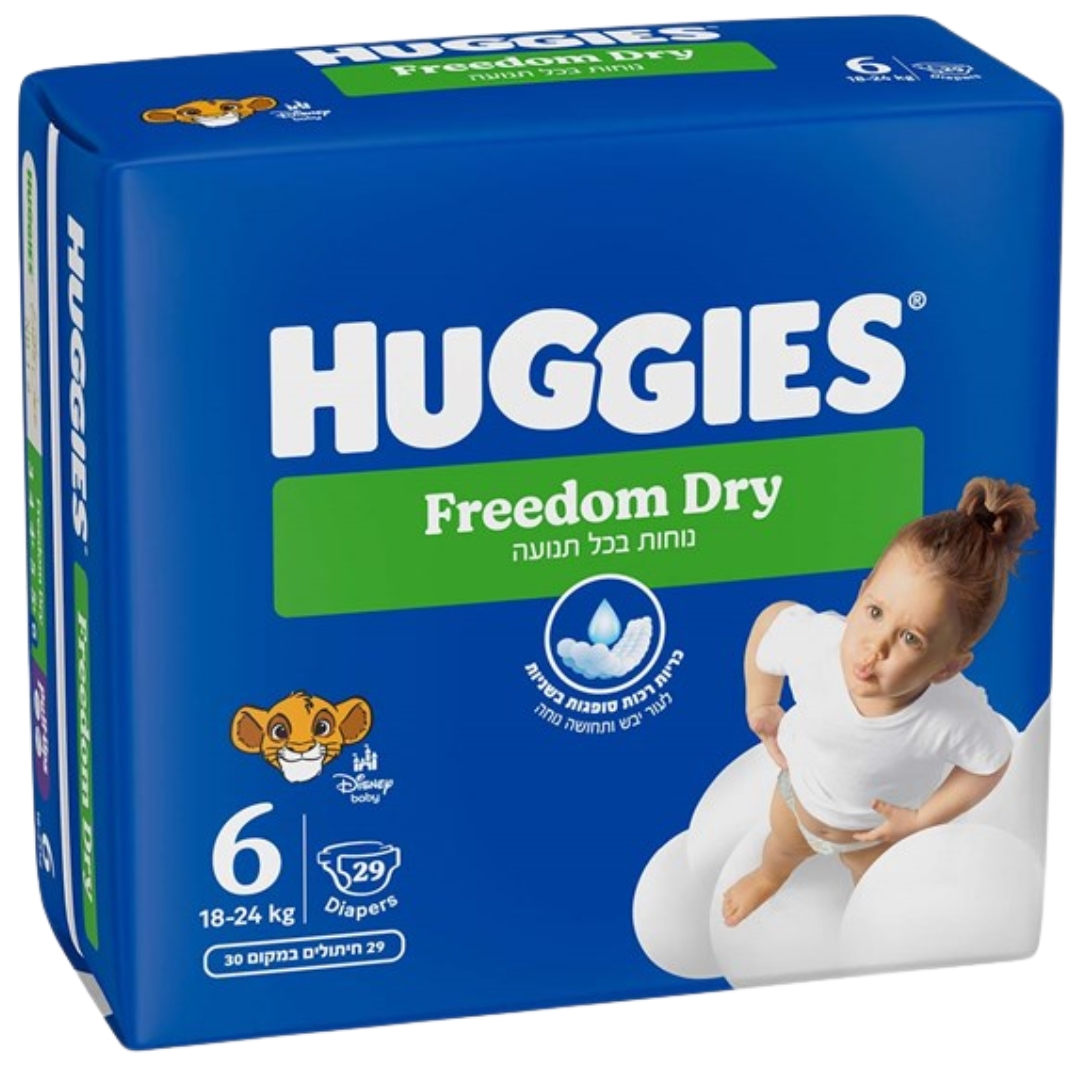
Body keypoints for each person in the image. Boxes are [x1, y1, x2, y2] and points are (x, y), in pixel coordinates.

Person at [722, 478, 1037, 927]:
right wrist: (761, 705)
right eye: (874, 612)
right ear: (862, 592)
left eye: (910, 639)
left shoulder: (954, 714)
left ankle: (864, 922)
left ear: (949, 666)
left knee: (873, 888)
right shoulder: (819, 647)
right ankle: (771, 876)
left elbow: (990, 763)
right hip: (797, 800)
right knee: (780, 847)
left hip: (874, 835)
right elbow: (772, 620)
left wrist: (923, 817)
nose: (874, 648)